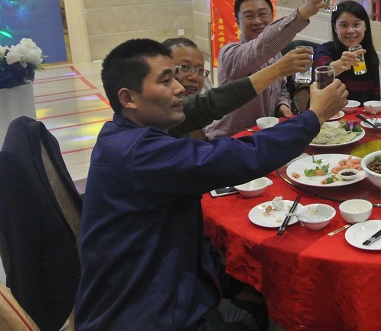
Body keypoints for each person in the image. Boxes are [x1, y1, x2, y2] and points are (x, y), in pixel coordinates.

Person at [74, 38, 347, 330]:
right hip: (148, 313)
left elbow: (206, 106)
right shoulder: (138, 153)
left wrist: (231, 285)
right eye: (166, 81)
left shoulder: (125, 134)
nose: (179, 87)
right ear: (128, 98)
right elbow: (236, 157)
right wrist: (314, 117)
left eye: (176, 76)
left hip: (166, 289)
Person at [205, 0, 331, 138]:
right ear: (237, 22)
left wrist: (282, 105)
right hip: (227, 139)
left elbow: (282, 87)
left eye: (262, 14)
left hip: (261, 138)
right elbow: (260, 48)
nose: (257, 21)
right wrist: (303, 12)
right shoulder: (229, 54)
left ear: (272, 17)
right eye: (249, 16)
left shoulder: (275, 53)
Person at [162, 37, 311, 139]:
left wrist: (283, 104)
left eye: (200, 70)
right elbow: (216, 101)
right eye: (184, 67)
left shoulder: (196, 124)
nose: (194, 77)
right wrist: (277, 70)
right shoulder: (161, 120)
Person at [313, 0, 380, 103]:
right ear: (335, 28)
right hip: (327, 111)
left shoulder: (369, 55)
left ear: (365, 26)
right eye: (344, 25)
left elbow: (374, 99)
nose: (350, 31)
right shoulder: (325, 49)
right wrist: (342, 64)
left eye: (356, 25)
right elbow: (323, 72)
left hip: (360, 113)